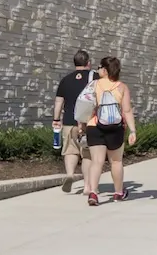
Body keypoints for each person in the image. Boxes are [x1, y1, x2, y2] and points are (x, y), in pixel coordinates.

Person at [81, 56, 137, 205]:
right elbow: (126, 110)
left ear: (105, 70)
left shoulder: (94, 85)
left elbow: (84, 105)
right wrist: (133, 131)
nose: (98, 70)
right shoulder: (122, 87)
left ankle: (93, 193)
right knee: (116, 161)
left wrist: (81, 124)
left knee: (96, 161)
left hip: (94, 126)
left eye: (100, 67)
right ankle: (118, 192)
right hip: (115, 128)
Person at [51, 50, 94, 193]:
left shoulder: (65, 80)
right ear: (88, 63)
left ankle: (70, 174)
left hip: (69, 121)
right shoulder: (95, 77)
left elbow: (59, 102)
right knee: (87, 153)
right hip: (88, 122)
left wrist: (56, 119)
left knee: (70, 150)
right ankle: (88, 185)